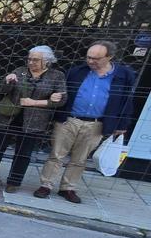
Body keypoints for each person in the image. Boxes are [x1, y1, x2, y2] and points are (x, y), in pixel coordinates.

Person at [34, 40, 137, 203]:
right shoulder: (76, 71)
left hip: (96, 124)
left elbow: (127, 100)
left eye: (96, 58)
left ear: (109, 57)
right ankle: (46, 185)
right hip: (69, 120)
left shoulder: (123, 75)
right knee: (56, 154)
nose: (90, 61)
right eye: (89, 57)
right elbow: (60, 90)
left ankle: (67, 188)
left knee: (80, 159)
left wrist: (122, 124)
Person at [0, 46, 66, 193]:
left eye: (35, 60)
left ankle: (14, 182)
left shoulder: (56, 76)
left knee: (24, 153)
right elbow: (2, 90)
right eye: (29, 59)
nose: (31, 62)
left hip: (35, 121)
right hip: (9, 117)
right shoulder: (20, 71)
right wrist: (7, 81)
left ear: (47, 61)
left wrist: (38, 102)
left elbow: (61, 100)